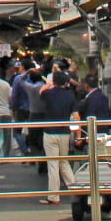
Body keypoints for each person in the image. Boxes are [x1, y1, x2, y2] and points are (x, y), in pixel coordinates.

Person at [37, 69, 78, 205]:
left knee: (53, 164)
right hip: (65, 132)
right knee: (64, 162)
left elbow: (40, 92)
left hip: (50, 132)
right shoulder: (70, 95)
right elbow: (76, 115)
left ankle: (54, 196)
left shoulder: (48, 93)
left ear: (54, 82)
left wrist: (48, 84)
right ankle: (75, 189)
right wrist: (78, 133)